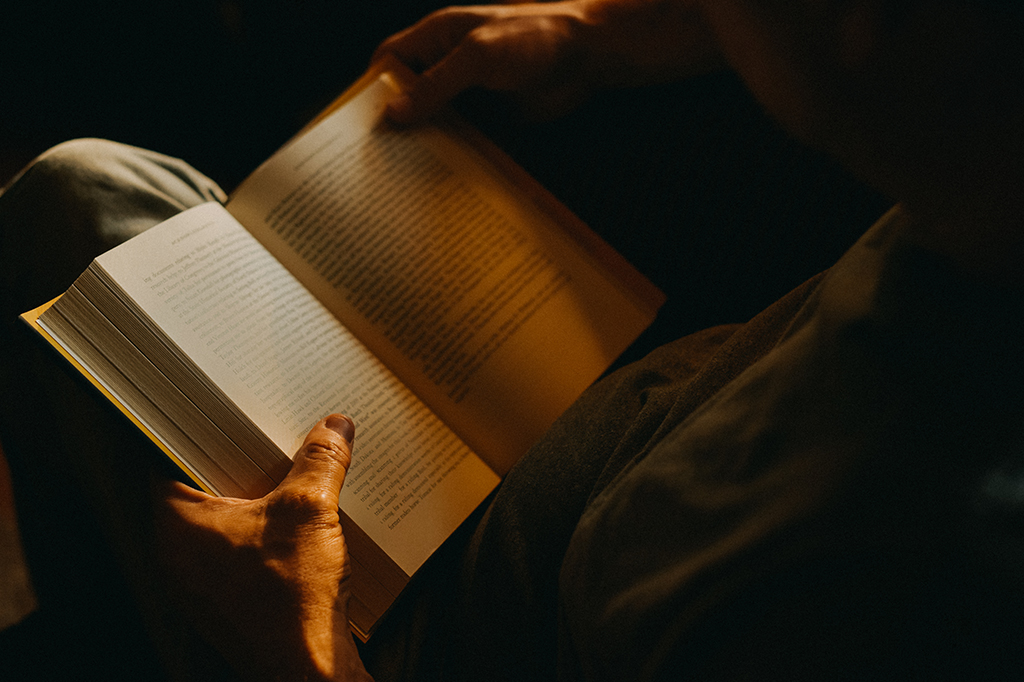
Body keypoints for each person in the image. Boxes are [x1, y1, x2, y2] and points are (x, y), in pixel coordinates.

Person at [2, 0, 1023, 680]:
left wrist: (298, 649)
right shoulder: (982, 176)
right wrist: (607, 31)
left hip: (435, 634)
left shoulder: (871, 583)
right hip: (610, 434)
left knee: (68, 218)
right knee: (96, 188)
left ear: (857, 35)